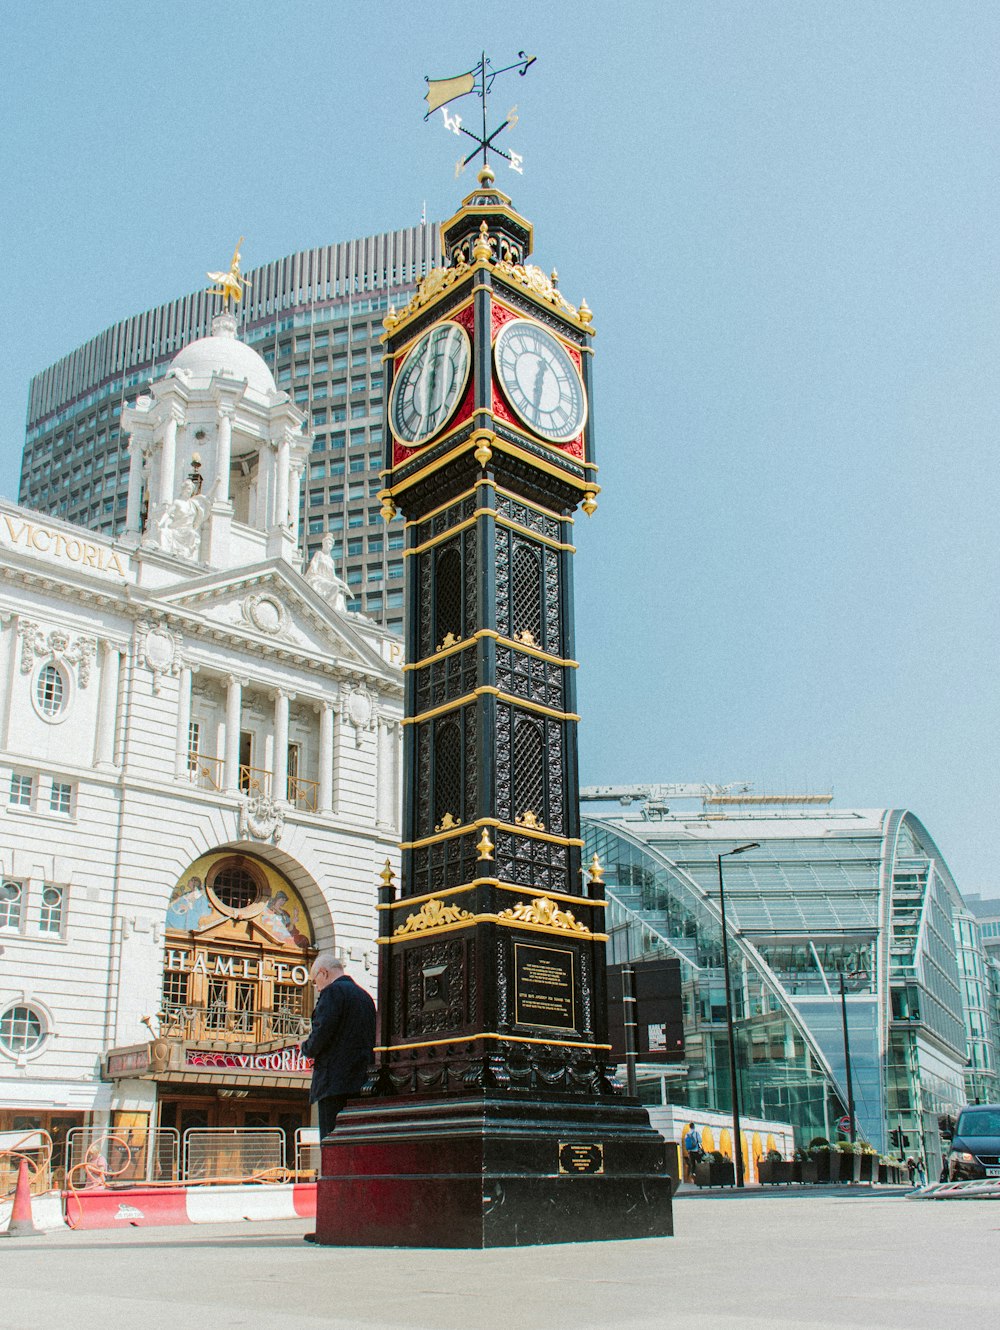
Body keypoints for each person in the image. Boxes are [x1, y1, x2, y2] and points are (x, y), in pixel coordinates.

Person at [301, 952, 376, 1141]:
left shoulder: (333, 993)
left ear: (323, 973)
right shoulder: (365, 997)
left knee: (331, 1142)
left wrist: (305, 1047)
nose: (316, 988)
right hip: (362, 1083)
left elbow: (321, 1033)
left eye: (314, 981)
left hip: (333, 1083)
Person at [304, 533, 350, 611]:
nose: (327, 545)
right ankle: (324, 607)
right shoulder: (319, 554)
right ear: (323, 544)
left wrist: (344, 584)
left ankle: (334, 613)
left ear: (332, 546)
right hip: (317, 579)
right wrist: (314, 569)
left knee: (340, 598)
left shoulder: (331, 561)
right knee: (335, 587)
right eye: (326, 543)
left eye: (329, 544)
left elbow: (333, 577)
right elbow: (313, 563)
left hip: (325, 581)